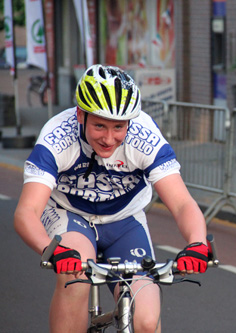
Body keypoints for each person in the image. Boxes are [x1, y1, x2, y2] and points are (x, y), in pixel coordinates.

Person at [14, 64, 209, 333]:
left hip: (124, 219)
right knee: (75, 277)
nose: (108, 138)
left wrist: (197, 244)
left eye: (119, 127)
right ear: (81, 115)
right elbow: (26, 212)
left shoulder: (144, 137)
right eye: (99, 125)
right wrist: (54, 251)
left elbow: (182, 202)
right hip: (70, 214)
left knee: (146, 321)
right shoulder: (57, 136)